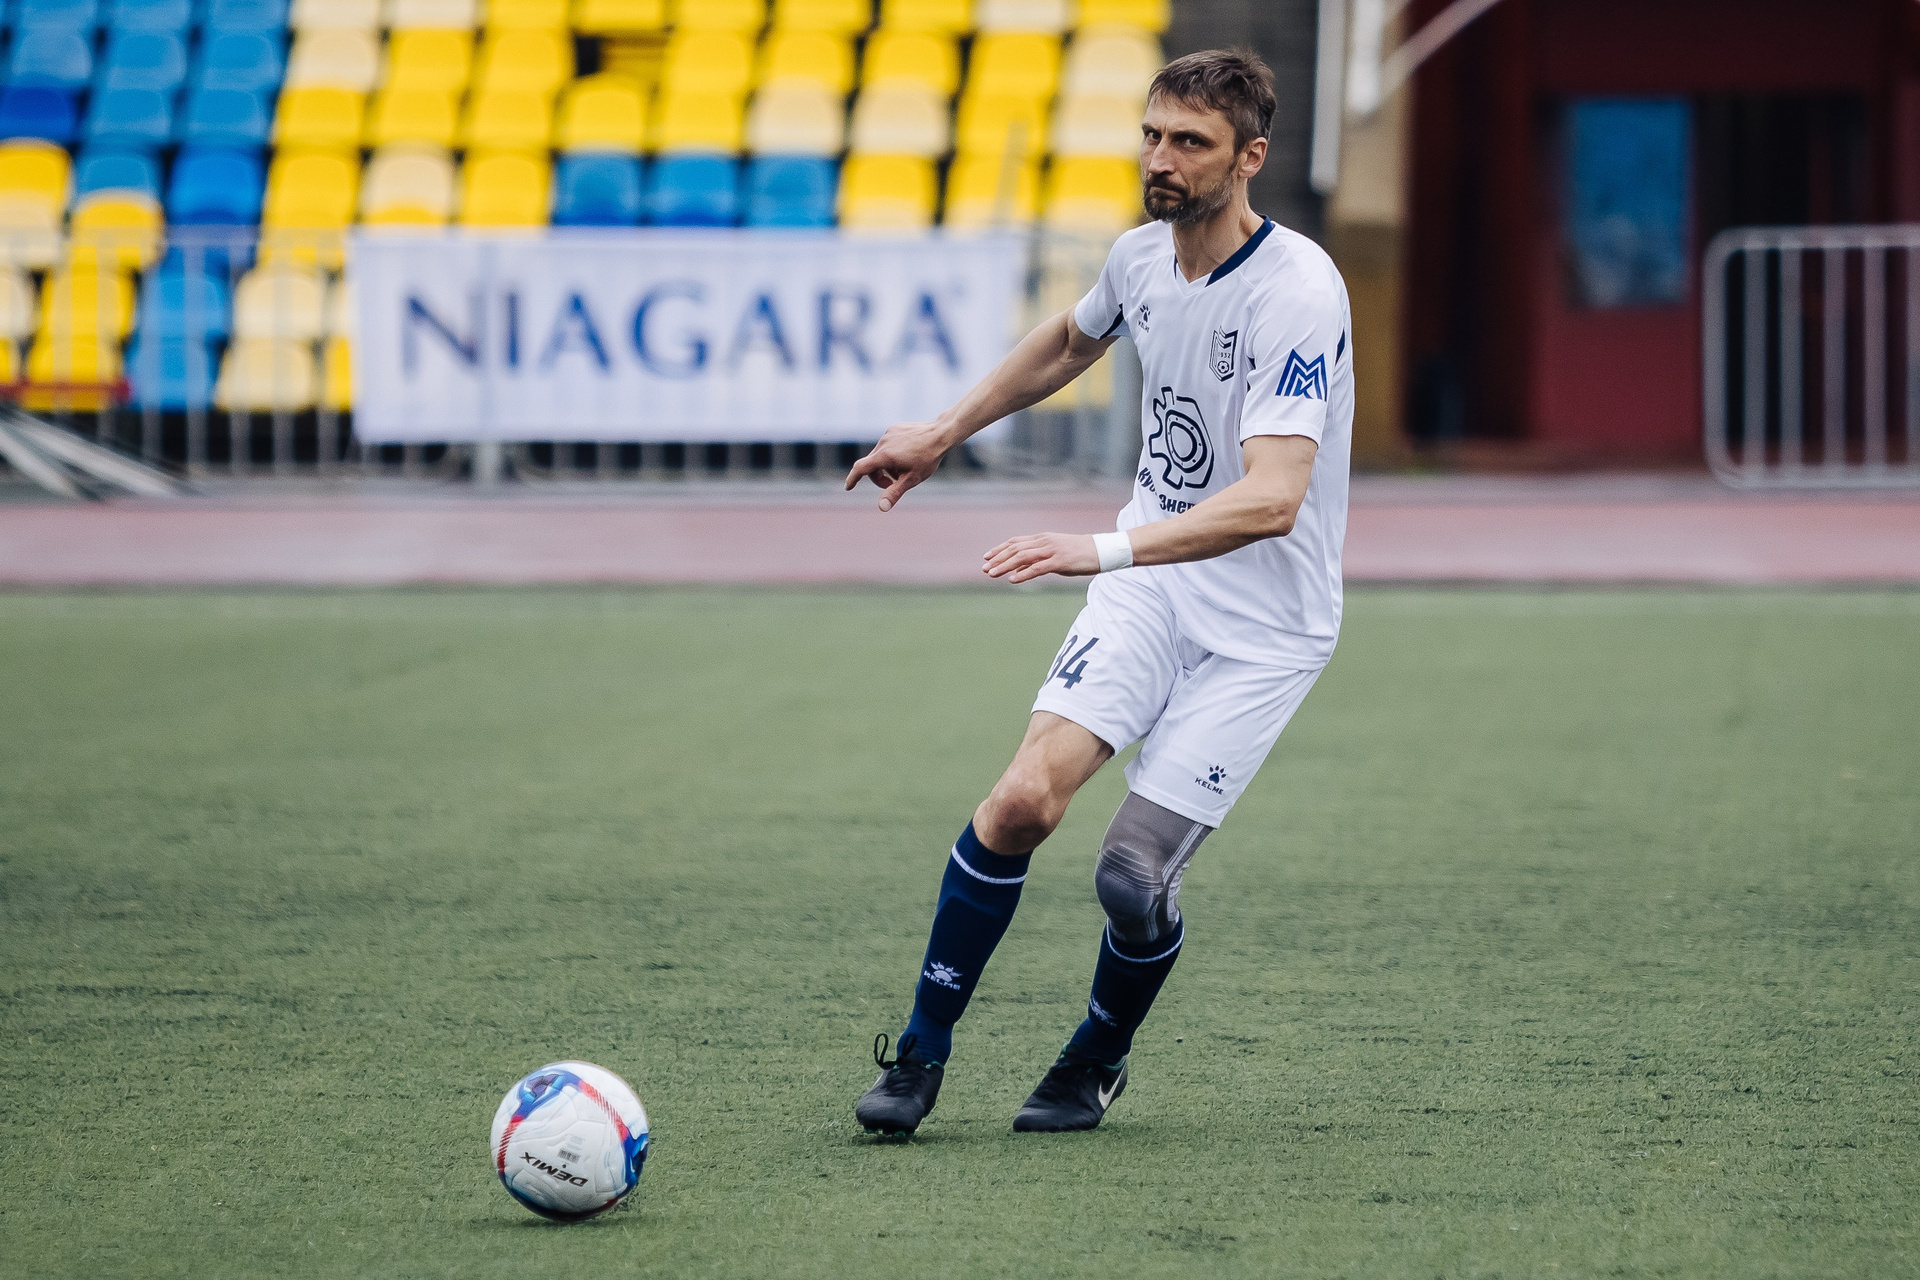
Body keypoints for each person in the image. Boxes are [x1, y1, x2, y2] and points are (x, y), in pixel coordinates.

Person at [845, 47, 1353, 1136]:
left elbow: (1273, 500)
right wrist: (943, 431)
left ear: (1250, 158)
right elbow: (1069, 340)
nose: (1160, 160)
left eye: (1191, 143)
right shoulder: (1136, 258)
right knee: (1022, 801)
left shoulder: (1299, 291)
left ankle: (1097, 1055)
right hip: (1152, 591)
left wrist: (1101, 548)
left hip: (1264, 629)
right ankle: (921, 1053)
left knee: (1130, 877)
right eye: (1153, 135)